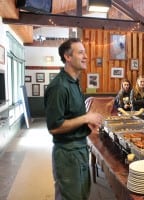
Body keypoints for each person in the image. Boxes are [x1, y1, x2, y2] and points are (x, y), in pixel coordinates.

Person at [44, 38, 103, 200]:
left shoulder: (74, 83)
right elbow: (54, 127)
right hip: (67, 153)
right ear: (67, 57)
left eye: (85, 52)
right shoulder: (59, 86)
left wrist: (87, 123)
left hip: (80, 149)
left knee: (82, 195)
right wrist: (85, 118)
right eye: (80, 52)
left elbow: (73, 118)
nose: (86, 56)